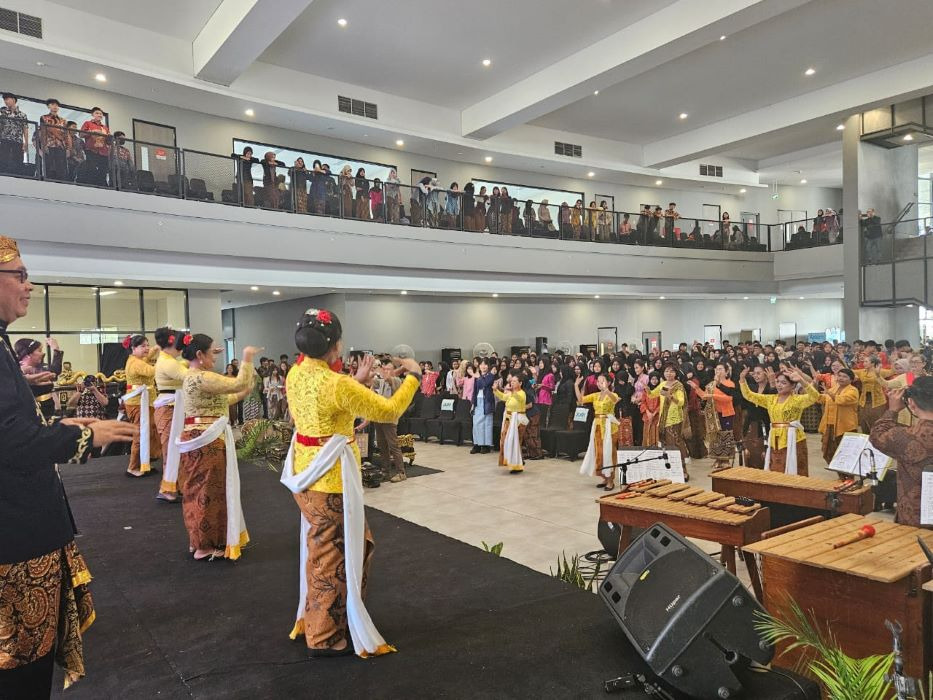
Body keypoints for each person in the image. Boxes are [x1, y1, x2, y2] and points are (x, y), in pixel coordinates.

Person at [0, 234, 136, 696]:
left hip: (21, 526)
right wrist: (84, 435)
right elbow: (9, 439)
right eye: (19, 275)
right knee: (22, 667)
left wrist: (50, 411)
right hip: (15, 536)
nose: (29, 284)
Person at [280, 308, 420, 657]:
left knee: (327, 549)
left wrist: (356, 382)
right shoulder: (336, 383)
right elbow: (389, 411)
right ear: (336, 345)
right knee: (332, 554)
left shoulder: (296, 374)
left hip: (306, 471)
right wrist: (414, 377)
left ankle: (324, 619)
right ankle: (325, 635)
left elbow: (319, 406)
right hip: (330, 480)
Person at [177, 334, 257, 560]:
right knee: (207, 491)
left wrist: (245, 391)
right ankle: (204, 544)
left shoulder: (194, 377)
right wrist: (247, 357)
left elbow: (224, 401)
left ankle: (202, 540)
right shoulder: (202, 378)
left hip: (202, 436)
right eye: (212, 352)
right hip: (207, 440)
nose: (216, 356)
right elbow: (238, 383)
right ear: (199, 355)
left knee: (201, 489)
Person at [869, 378, 933, 528]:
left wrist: (893, 410)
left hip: (916, 518)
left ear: (910, 403)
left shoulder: (904, 437)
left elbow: (877, 434)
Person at [739, 365, 819, 476]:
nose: (779, 385)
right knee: (777, 466)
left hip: (793, 438)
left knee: (795, 468)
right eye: (777, 382)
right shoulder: (771, 399)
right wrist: (742, 379)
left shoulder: (797, 400)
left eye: (783, 383)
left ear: (792, 386)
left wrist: (802, 380)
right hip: (775, 437)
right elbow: (749, 395)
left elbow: (814, 397)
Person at [153, 326, 187, 502]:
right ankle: (167, 489)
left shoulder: (169, 359)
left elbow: (184, 365)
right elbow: (188, 375)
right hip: (168, 408)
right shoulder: (168, 362)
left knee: (176, 449)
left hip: (174, 407)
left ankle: (176, 485)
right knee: (170, 450)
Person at [576, 373, 620, 490]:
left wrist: (607, 391)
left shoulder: (612, 394)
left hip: (609, 427)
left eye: (602, 381)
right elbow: (581, 400)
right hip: (597, 426)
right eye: (598, 382)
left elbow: (615, 400)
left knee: (609, 453)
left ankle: (611, 480)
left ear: (609, 383)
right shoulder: (595, 395)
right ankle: (604, 478)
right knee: (599, 452)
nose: (599, 384)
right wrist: (576, 385)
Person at [648, 364, 690, 480]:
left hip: (674, 420)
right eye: (667, 371)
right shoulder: (662, 384)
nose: (669, 374)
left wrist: (670, 396)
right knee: (666, 446)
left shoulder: (679, 386)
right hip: (663, 420)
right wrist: (646, 388)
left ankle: (683, 470)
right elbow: (652, 395)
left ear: (676, 373)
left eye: (671, 371)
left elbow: (681, 402)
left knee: (676, 445)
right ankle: (671, 469)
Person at [696, 363, 736, 470]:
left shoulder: (730, 384)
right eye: (717, 369)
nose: (718, 371)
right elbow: (705, 396)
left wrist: (713, 395)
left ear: (726, 372)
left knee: (725, 435)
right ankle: (718, 459)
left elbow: (728, 399)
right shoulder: (711, 384)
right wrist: (696, 388)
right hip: (714, 414)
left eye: (721, 369)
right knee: (716, 437)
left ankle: (726, 459)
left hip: (726, 413)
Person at [372, 358, 406, 482]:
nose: (386, 371)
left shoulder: (397, 380)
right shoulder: (380, 381)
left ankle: (401, 472)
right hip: (379, 417)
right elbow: (370, 381)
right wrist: (373, 370)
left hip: (390, 418)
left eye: (389, 369)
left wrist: (384, 375)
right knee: (382, 445)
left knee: (393, 445)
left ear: (394, 371)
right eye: (385, 369)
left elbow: (391, 382)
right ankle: (385, 471)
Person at [817, 367, 860, 462]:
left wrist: (829, 393)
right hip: (829, 426)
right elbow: (821, 398)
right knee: (828, 454)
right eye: (839, 375)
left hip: (845, 427)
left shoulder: (853, 391)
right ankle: (841, 476)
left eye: (844, 376)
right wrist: (807, 386)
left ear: (851, 380)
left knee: (845, 455)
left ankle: (847, 477)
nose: (841, 378)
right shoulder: (834, 389)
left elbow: (841, 400)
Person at [15, 336, 63, 421]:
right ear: (29, 354)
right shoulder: (19, 369)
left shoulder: (40, 367)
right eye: (39, 351)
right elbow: (52, 373)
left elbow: (54, 372)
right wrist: (56, 350)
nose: (42, 354)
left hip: (48, 410)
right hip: (31, 413)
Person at [742, 364, 774, 468]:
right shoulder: (752, 387)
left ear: (766, 374)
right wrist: (742, 378)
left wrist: (772, 381)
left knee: (764, 456)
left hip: (765, 425)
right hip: (751, 425)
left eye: (759, 373)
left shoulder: (771, 388)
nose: (756, 375)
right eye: (754, 373)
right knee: (749, 455)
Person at [494, 372, 528, 473]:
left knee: (515, 443)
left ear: (520, 383)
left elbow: (519, 398)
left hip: (518, 421)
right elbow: (503, 397)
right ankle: (512, 462)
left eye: (514, 381)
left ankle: (516, 465)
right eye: (511, 381)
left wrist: (512, 392)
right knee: (505, 441)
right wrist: (495, 390)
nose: (512, 383)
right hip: (509, 419)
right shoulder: (511, 393)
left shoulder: (522, 393)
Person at [38, 98, 71, 181]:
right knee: (49, 164)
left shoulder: (64, 121)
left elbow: (66, 134)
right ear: (48, 106)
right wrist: (43, 145)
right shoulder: (44, 117)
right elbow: (43, 132)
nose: (55, 106)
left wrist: (68, 148)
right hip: (49, 144)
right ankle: (48, 180)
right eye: (52, 105)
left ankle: (61, 182)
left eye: (56, 105)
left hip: (61, 145)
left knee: (61, 166)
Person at [80, 107, 111, 186]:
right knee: (91, 168)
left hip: (103, 151)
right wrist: (92, 131)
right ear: (93, 114)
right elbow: (81, 134)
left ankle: (102, 185)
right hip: (91, 149)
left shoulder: (105, 128)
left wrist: (109, 137)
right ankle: (92, 184)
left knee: (103, 170)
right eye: (97, 113)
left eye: (101, 114)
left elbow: (108, 142)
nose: (99, 115)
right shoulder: (87, 123)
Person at [471, 359, 496, 453]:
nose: (483, 366)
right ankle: (476, 444)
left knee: (486, 423)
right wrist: (473, 403)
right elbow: (475, 390)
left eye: (485, 364)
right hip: (478, 401)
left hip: (487, 402)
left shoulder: (491, 376)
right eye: (481, 364)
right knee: (476, 423)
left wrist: (479, 377)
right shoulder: (477, 376)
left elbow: (485, 384)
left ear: (488, 366)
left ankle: (486, 445)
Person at [0, 93, 28, 175]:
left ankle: (17, 175)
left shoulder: (22, 115)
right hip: (4, 139)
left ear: (14, 100)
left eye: (7, 99)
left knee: (18, 159)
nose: (6, 101)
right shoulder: (3, 112)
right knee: (3, 158)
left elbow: (25, 129)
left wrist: (26, 142)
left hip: (17, 140)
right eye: (4, 100)